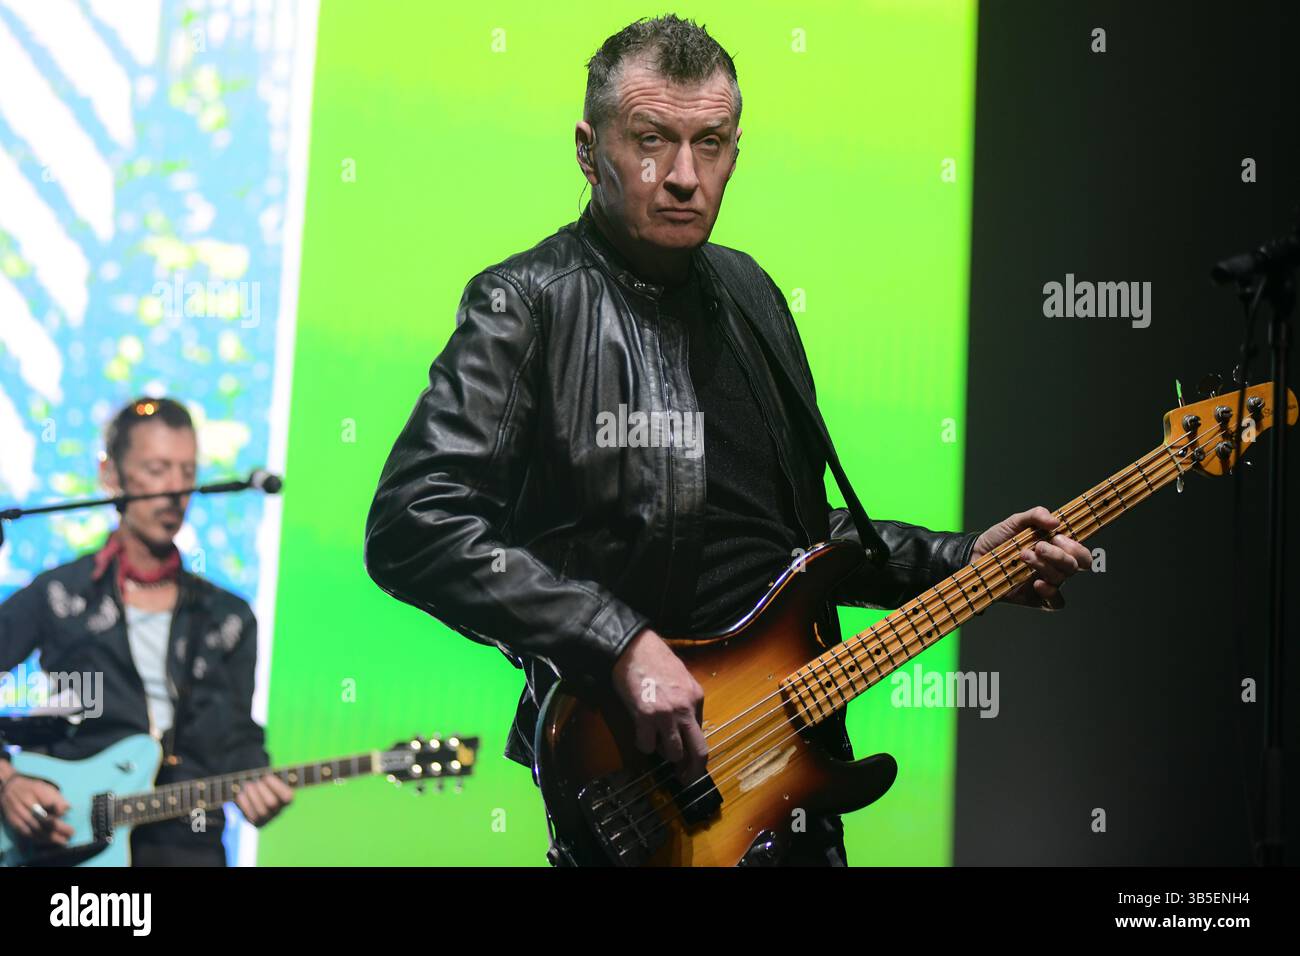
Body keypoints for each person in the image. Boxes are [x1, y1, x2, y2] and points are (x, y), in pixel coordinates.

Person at [364, 14, 1090, 866]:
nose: (682, 176)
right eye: (650, 141)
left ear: (736, 151)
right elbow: (413, 523)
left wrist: (965, 560)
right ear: (588, 149)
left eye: (710, 144)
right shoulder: (529, 304)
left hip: (791, 785)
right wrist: (616, 639)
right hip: (646, 793)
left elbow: (797, 542)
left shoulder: (751, 293)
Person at [0, 396, 292, 865]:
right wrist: (7, 780)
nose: (176, 489)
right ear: (110, 475)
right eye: (157, 469)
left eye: (187, 471)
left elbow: (235, 736)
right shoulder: (59, 594)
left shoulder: (229, 616)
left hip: (188, 848)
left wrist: (255, 780)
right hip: (67, 847)